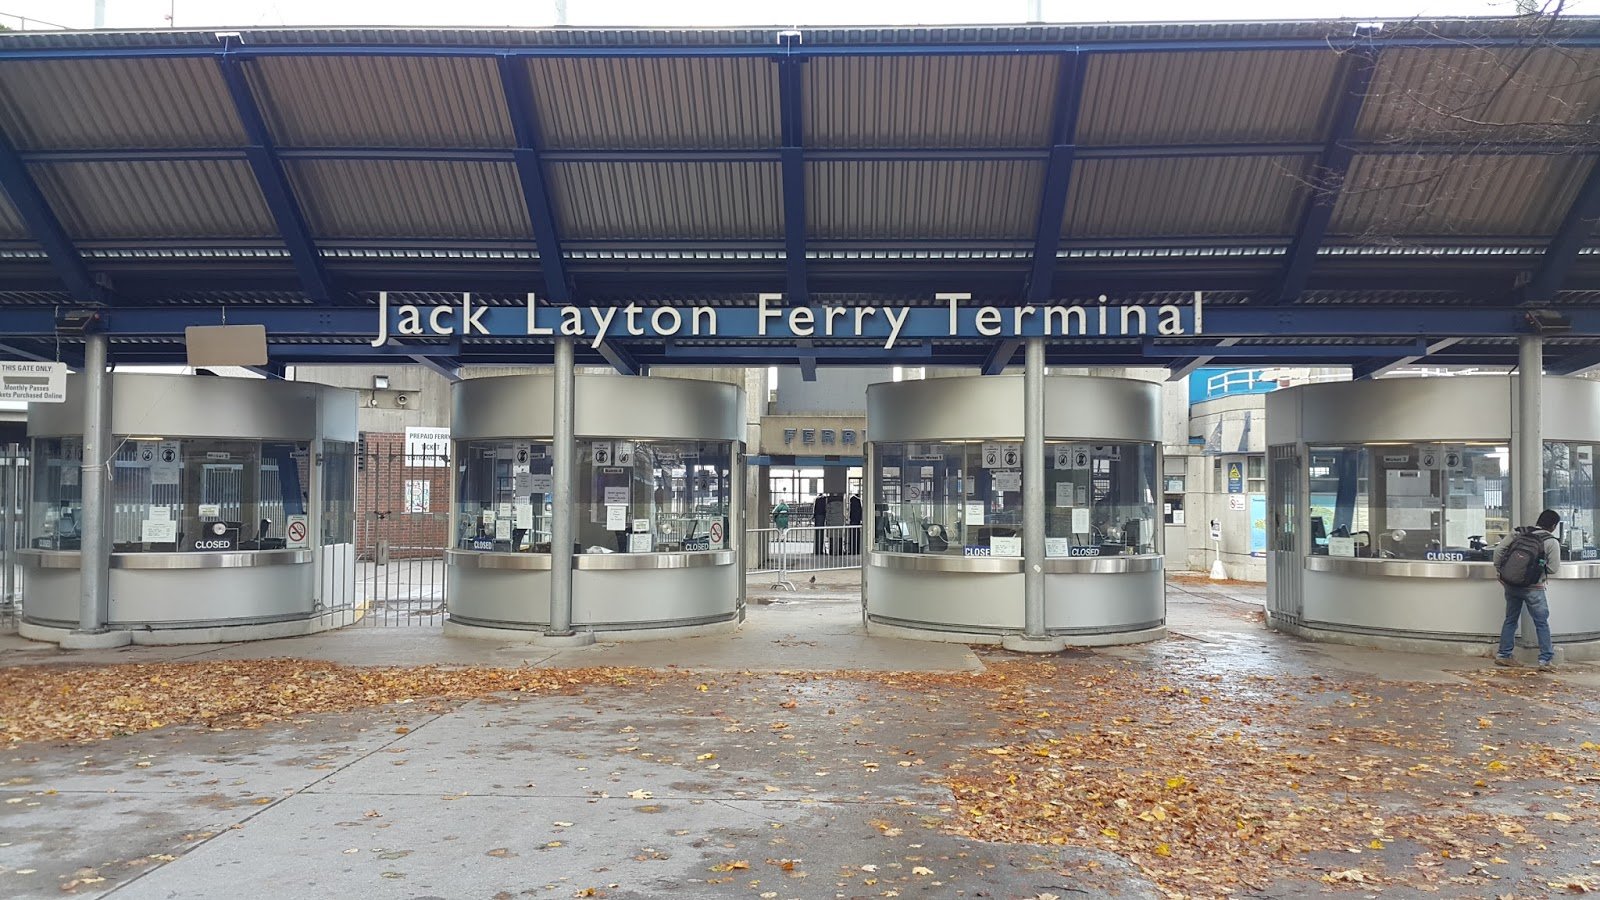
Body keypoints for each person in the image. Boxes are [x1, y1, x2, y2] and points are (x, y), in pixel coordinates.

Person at [1492, 509, 1561, 669]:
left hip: (1511, 584)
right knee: (1541, 622)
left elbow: (1498, 551)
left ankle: (1503, 654)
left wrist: (1501, 571)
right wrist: (1536, 572)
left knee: (1510, 619)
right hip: (1534, 588)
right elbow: (1553, 568)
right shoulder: (1551, 541)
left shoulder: (1518, 532)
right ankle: (1545, 660)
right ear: (1553, 525)